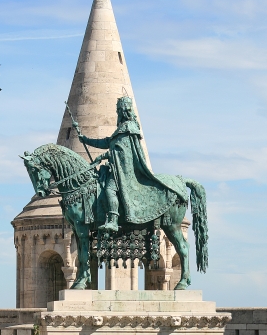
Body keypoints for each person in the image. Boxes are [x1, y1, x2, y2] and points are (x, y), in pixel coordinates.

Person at [73, 95, 188, 232]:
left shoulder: (129, 128)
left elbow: (123, 152)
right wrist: (85, 140)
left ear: (124, 111)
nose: (118, 113)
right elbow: (107, 142)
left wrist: (103, 156)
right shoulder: (122, 129)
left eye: (119, 110)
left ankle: (113, 220)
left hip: (125, 171)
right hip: (117, 168)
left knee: (110, 189)